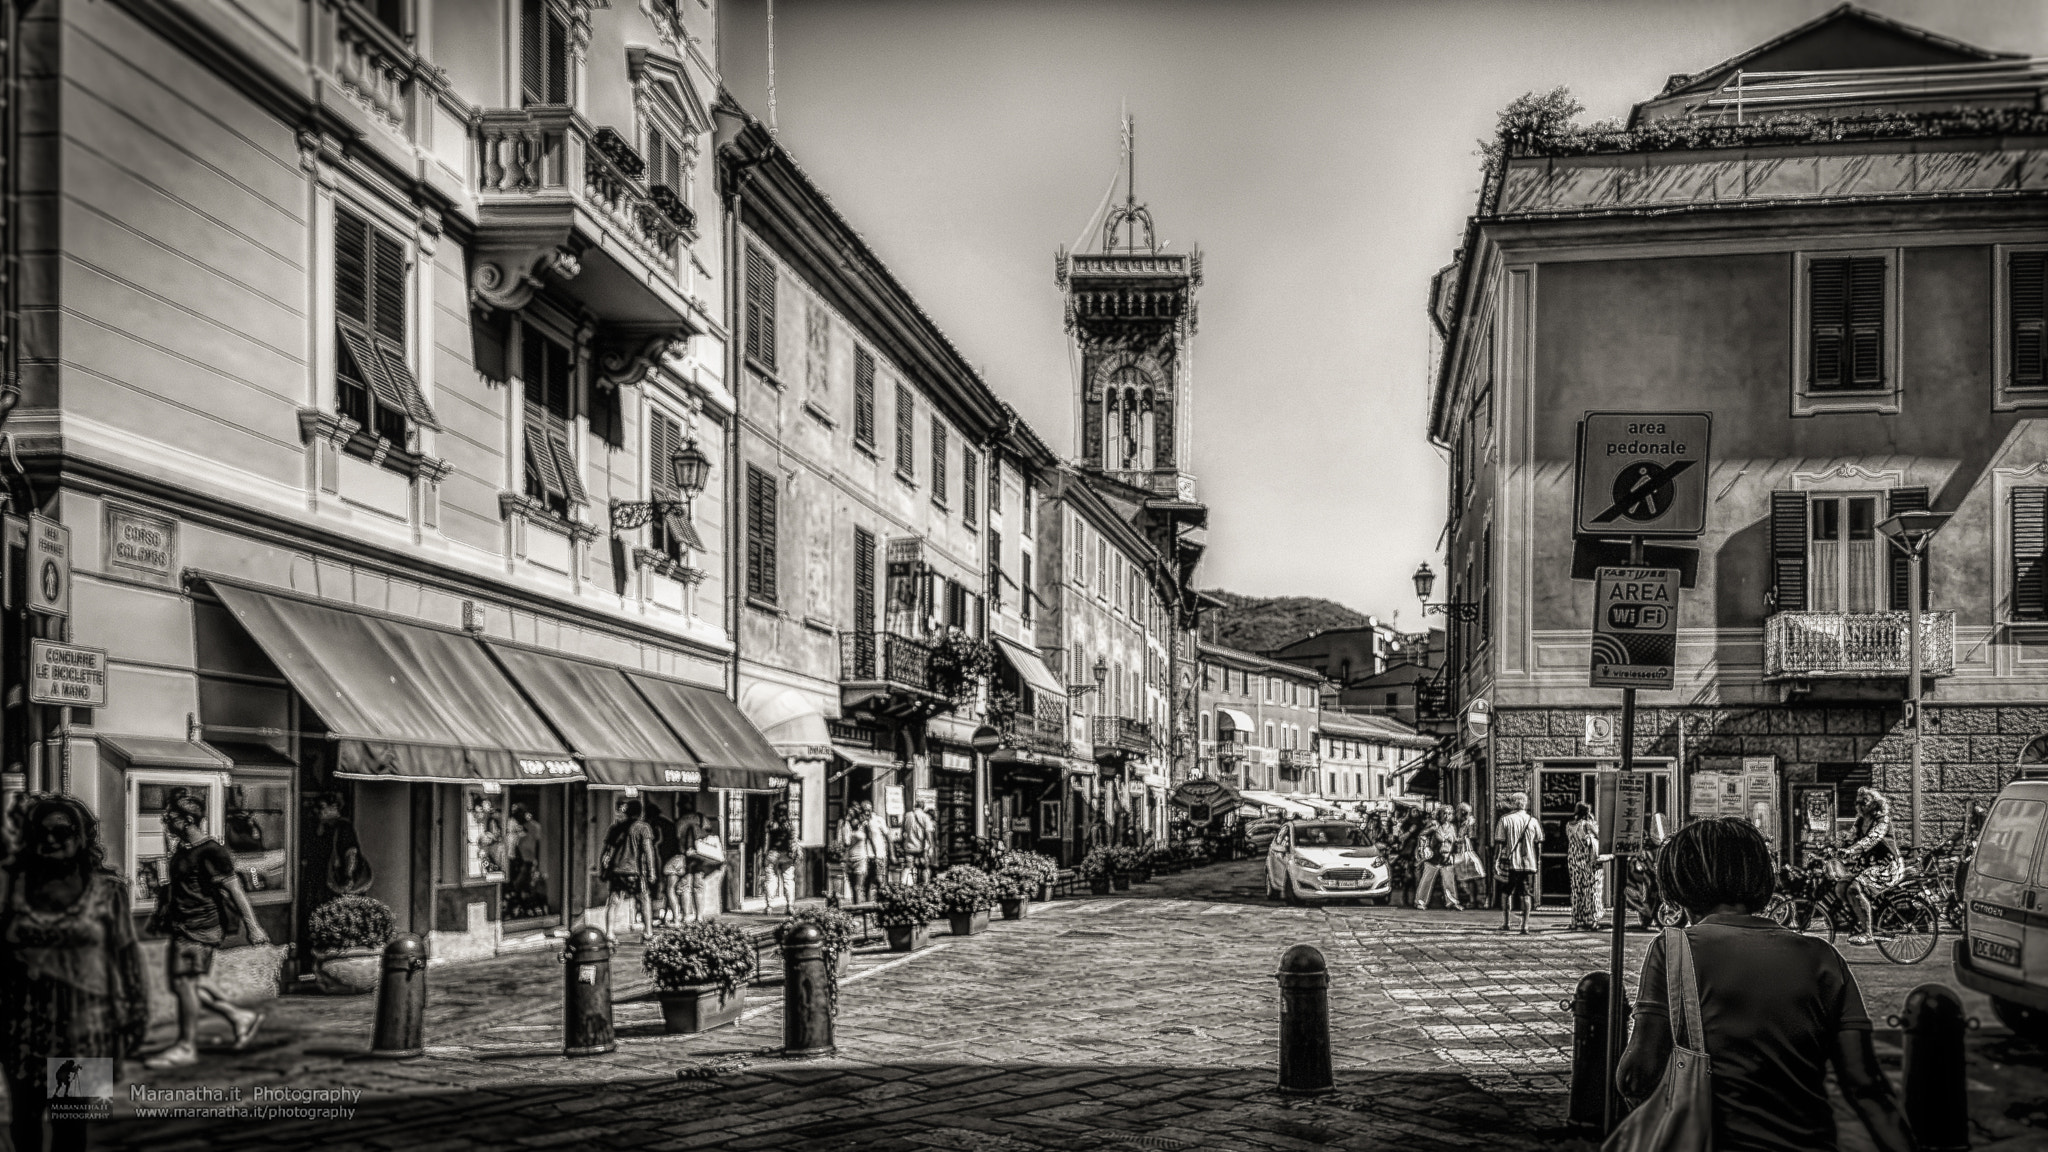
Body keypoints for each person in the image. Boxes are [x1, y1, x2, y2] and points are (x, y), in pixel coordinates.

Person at [1615, 818, 1915, 1152]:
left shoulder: (1673, 949)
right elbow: (1865, 1086)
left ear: (1679, 884)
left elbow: (1638, 1074)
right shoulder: (1821, 958)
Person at [2, 795, 149, 1152]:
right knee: (24, 1124)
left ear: (81, 835)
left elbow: (126, 953)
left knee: (71, 1126)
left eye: (62, 831)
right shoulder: (12, 886)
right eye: (41, 831)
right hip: (21, 1024)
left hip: (84, 1026)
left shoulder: (108, 891)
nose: (50, 838)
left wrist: (135, 1011)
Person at [149, 788, 267, 1069]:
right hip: (183, 924)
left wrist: (254, 927)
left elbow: (235, 890)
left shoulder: (212, 851)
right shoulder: (182, 849)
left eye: (171, 817)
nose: (166, 821)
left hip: (202, 926)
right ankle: (239, 1017)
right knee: (185, 984)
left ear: (187, 820)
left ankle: (186, 1046)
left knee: (186, 984)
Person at [1837, 787, 1902, 947]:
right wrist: (1833, 846)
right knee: (1840, 886)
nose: (1859, 805)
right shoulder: (1860, 821)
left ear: (1875, 804)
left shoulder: (1882, 821)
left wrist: (1851, 851)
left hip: (1886, 866)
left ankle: (1868, 933)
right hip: (1867, 865)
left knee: (1853, 888)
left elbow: (1871, 839)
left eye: (1863, 802)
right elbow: (1849, 837)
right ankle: (1859, 918)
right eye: (1857, 802)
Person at [601, 799, 660, 938]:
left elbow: (607, 851)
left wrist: (603, 870)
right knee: (644, 899)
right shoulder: (643, 828)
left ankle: (609, 932)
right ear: (640, 812)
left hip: (617, 869)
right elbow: (648, 850)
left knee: (614, 900)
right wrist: (652, 872)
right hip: (635, 871)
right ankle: (648, 932)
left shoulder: (616, 828)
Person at [1494, 792, 1542, 935]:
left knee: (1507, 892)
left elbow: (1500, 843)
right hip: (1529, 863)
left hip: (1510, 862)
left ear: (1512, 803)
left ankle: (1507, 922)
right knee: (1526, 893)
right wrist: (1537, 860)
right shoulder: (1533, 821)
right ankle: (1525, 925)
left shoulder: (1505, 820)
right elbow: (1538, 844)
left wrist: (1496, 861)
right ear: (1525, 804)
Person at [311, 794, 369, 899]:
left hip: (338, 881)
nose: (318, 812)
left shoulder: (343, 827)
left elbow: (351, 853)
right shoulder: (326, 827)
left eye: (322, 807)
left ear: (334, 807)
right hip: (329, 880)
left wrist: (348, 876)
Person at [1566, 802, 1605, 931]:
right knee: (1592, 890)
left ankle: (1576, 920)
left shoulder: (1569, 825)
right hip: (1589, 861)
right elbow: (1601, 837)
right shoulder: (1587, 825)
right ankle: (1592, 919)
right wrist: (1593, 822)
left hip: (1574, 861)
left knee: (1577, 891)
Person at [1413, 810, 1463, 910]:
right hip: (1433, 858)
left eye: (1449, 813)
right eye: (1444, 813)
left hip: (1446, 858)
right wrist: (1426, 847)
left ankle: (1452, 901)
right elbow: (1422, 835)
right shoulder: (1435, 825)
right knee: (1426, 880)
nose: (1446, 816)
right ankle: (1420, 901)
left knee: (1449, 881)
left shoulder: (1452, 828)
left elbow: (1455, 841)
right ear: (1440, 815)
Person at [762, 802, 799, 915]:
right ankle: (790, 905)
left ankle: (769, 906)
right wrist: (794, 853)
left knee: (771, 880)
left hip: (773, 853)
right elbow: (794, 840)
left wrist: (764, 854)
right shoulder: (790, 824)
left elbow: (766, 841)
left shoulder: (771, 824)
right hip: (787, 855)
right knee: (789, 880)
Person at [838, 804, 871, 904]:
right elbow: (845, 842)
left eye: (852, 815)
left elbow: (869, 840)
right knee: (852, 887)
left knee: (857, 886)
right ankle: (856, 906)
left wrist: (871, 854)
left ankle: (859, 908)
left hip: (860, 858)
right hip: (849, 859)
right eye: (849, 815)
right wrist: (845, 824)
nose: (850, 818)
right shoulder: (845, 826)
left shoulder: (864, 826)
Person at [897, 799, 935, 885]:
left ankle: (903, 885)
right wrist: (931, 846)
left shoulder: (907, 815)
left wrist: (902, 844)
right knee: (924, 867)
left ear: (915, 806)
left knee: (908, 867)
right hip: (921, 848)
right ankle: (924, 886)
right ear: (923, 806)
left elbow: (902, 832)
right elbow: (928, 834)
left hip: (909, 847)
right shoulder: (926, 817)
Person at [863, 801, 895, 901]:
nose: (867, 812)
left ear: (872, 809)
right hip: (866, 856)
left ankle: (882, 901)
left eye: (868, 809)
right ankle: (867, 905)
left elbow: (888, 836)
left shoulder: (878, 820)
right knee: (867, 882)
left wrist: (892, 854)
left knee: (880, 880)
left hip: (879, 855)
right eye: (865, 810)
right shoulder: (863, 823)